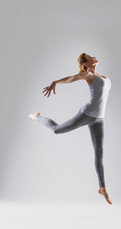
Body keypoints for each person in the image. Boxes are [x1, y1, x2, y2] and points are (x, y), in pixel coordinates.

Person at [29, 53, 112, 205]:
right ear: (86, 63)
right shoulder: (88, 75)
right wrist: (56, 82)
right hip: (86, 114)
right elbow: (73, 78)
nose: (94, 56)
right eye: (90, 56)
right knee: (56, 130)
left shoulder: (102, 76)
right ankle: (37, 117)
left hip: (99, 119)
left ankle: (102, 187)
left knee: (99, 153)